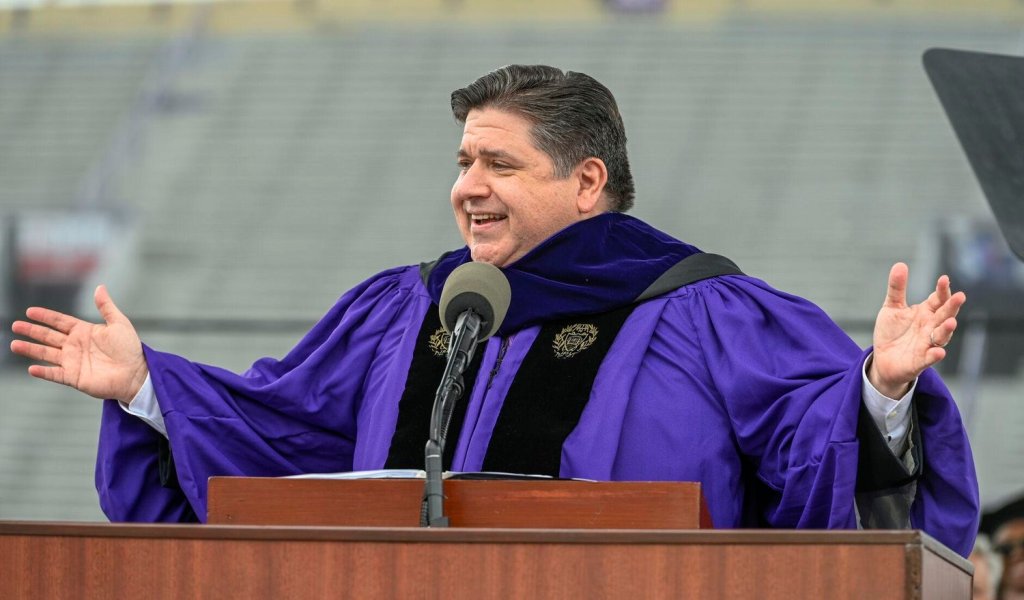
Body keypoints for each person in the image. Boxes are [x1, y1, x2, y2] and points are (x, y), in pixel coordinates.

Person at [10, 65, 979, 556]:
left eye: (498, 163)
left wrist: (880, 390)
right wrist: (146, 388)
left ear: (586, 181)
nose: (465, 187)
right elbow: (280, 434)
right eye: (463, 162)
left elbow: (815, 449)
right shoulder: (408, 310)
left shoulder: (703, 311)